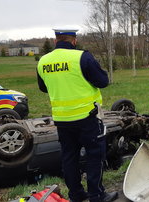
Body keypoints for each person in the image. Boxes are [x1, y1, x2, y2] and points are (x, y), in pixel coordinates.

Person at [37, 28, 118, 202]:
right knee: (94, 155)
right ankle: (96, 195)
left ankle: (76, 194)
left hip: (62, 119)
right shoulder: (81, 57)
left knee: (69, 157)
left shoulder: (43, 61)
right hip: (87, 117)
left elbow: (43, 88)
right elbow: (103, 81)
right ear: (74, 40)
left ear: (55, 40)